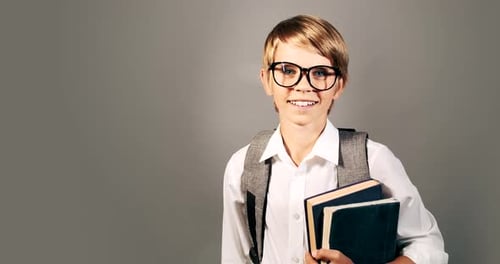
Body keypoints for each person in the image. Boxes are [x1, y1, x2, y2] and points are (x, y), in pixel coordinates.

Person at [221, 14, 448, 264]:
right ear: (266, 80)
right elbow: (235, 258)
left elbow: (429, 246)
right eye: (287, 70)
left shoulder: (374, 160)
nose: (303, 85)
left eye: (319, 73)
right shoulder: (242, 166)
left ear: (339, 85)